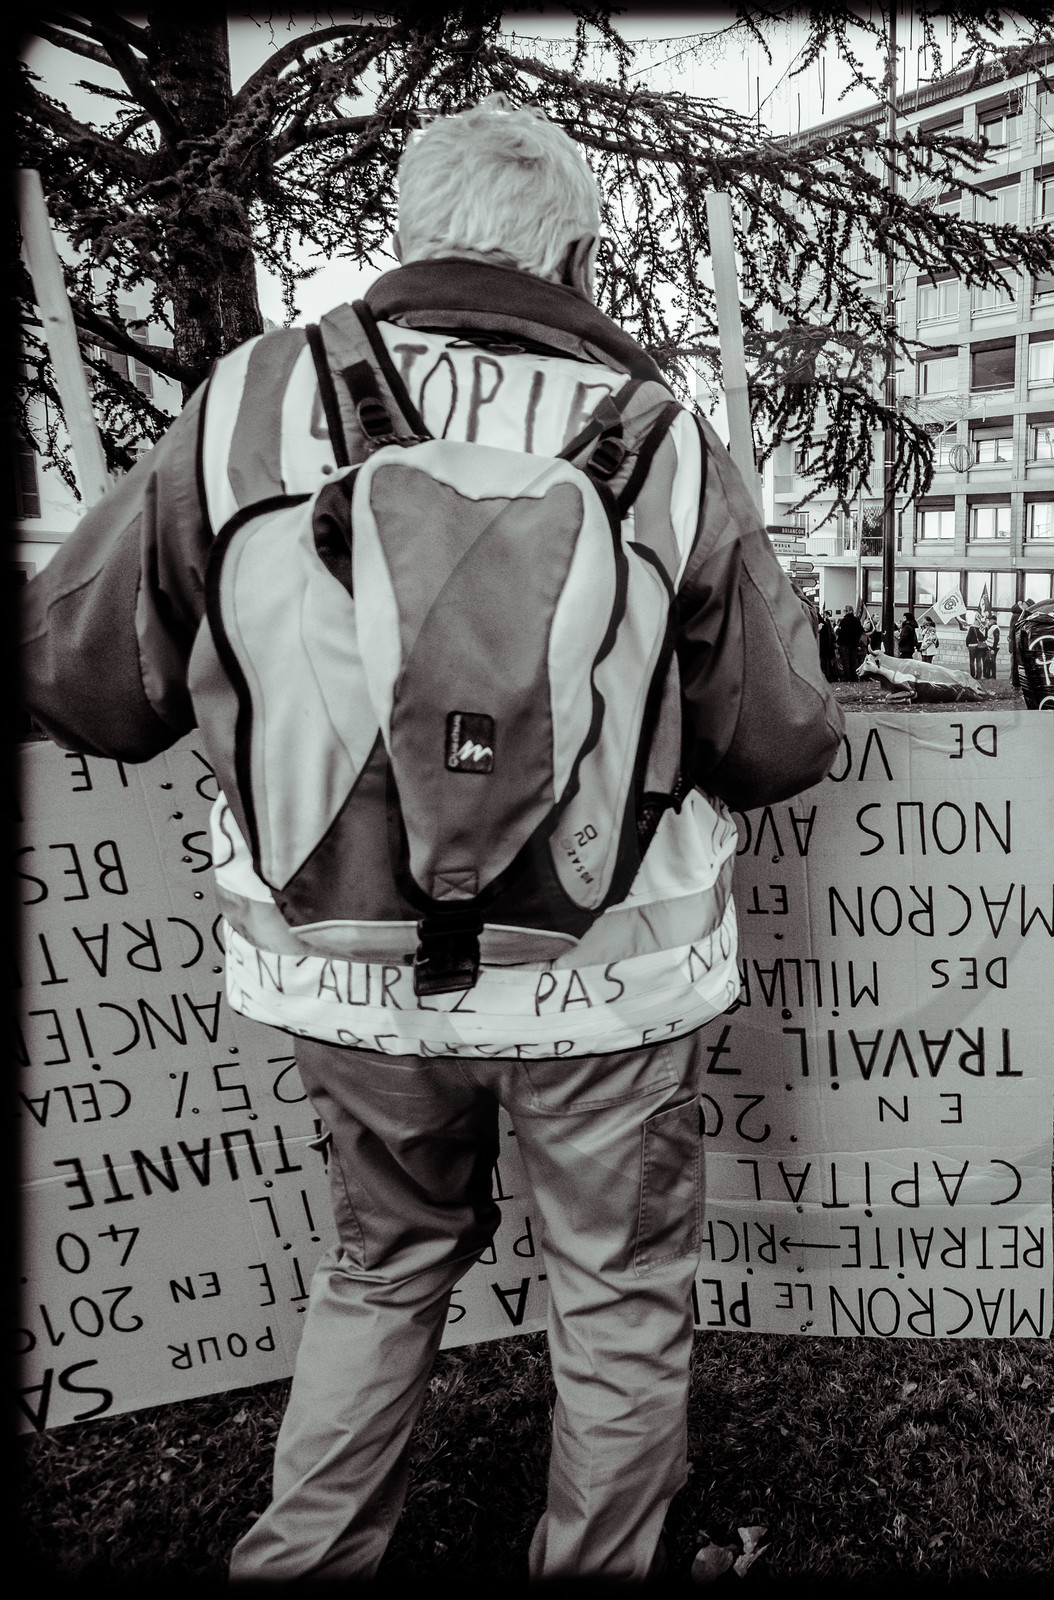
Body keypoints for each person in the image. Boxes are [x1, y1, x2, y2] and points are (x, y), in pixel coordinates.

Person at [21, 98, 843, 1584]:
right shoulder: (664, 439)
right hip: (611, 982)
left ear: (405, 240)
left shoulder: (250, 401)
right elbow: (781, 737)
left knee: (381, 1264)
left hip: (344, 970)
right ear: (578, 258)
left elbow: (87, 684)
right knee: (618, 1293)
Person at [836, 606, 864, 677]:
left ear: (850, 611)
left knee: (846, 661)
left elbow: (841, 633)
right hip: (854, 644)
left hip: (845, 644)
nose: (844, 612)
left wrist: (838, 642)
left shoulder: (843, 621)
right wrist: (857, 640)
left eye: (846, 610)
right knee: (853, 661)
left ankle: (848, 676)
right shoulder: (857, 621)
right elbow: (860, 631)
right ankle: (854, 676)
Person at [817, 608, 838, 681]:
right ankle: (829, 676)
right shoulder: (826, 625)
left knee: (825, 662)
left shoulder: (822, 624)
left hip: (823, 647)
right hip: (828, 647)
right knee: (828, 663)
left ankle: (827, 676)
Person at [983, 611, 1000, 679]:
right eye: (989, 619)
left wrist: (993, 648)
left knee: (992, 661)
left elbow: (996, 639)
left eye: (991, 619)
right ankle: (988, 675)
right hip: (989, 646)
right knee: (988, 661)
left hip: (993, 647)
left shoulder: (995, 628)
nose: (989, 620)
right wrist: (986, 629)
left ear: (994, 620)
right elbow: (986, 636)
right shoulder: (990, 627)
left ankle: (993, 675)